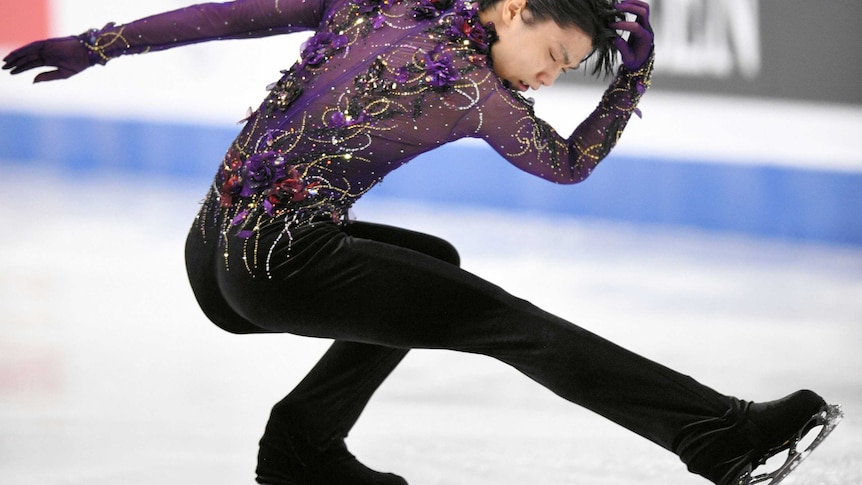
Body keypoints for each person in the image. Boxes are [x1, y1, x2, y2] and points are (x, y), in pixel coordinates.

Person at [3, 1, 842, 484]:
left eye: (566, 71)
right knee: (513, 323)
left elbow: (229, 16)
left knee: (429, 270)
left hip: (212, 254)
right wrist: (632, 84)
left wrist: (95, 45)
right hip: (280, 268)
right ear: (514, 8)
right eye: (553, 54)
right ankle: (718, 433)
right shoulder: (480, 92)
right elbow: (570, 163)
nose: (548, 77)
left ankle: (305, 447)